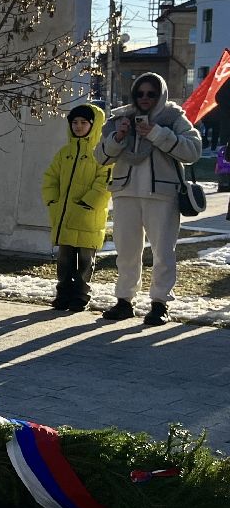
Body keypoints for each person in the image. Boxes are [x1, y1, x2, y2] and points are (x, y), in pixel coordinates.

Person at [94, 72, 202, 326]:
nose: (145, 98)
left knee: (163, 252)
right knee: (126, 251)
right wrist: (118, 138)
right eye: (140, 93)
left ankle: (160, 303)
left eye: (151, 94)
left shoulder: (173, 117)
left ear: (160, 94)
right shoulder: (120, 118)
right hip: (125, 192)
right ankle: (124, 301)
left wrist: (157, 133)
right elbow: (100, 156)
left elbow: (193, 151)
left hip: (162, 195)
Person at [42, 104, 110, 312]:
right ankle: (63, 293)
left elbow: (105, 181)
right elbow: (50, 178)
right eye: (75, 123)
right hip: (64, 215)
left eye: (83, 123)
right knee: (64, 259)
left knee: (85, 261)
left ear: (94, 124)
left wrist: (87, 203)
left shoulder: (101, 153)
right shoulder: (65, 153)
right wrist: (52, 201)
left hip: (88, 216)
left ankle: (81, 295)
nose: (78, 127)